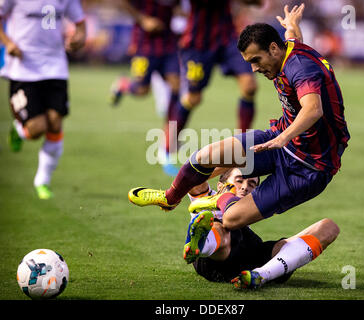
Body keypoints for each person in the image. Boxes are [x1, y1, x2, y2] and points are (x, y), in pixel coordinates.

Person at [128, 4, 349, 239]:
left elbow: (313, 109)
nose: (254, 68)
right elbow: (292, 38)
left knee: (231, 219)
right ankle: (170, 198)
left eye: (256, 60)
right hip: (280, 142)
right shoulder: (286, 50)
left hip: (308, 167)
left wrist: (283, 137)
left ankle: (219, 201)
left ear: (274, 49)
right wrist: (292, 24)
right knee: (203, 158)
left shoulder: (302, 69)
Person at [184, 168, 340, 289]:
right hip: (214, 259)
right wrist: (229, 163)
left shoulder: (253, 206)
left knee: (329, 227)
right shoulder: (210, 197)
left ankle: (261, 275)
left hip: (251, 257)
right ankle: (201, 245)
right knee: (222, 227)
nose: (245, 188)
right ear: (220, 186)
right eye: (239, 181)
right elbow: (193, 174)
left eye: (251, 184)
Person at [0, 0, 86, 199]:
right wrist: (8, 43)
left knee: (55, 124)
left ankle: (42, 181)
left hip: (56, 68)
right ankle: (20, 130)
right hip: (23, 69)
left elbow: (80, 24)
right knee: (37, 129)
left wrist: (79, 39)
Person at [109, 0, 182, 176]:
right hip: (144, 45)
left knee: (176, 87)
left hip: (168, 44)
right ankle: (124, 85)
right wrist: (143, 20)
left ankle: (167, 142)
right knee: (142, 90)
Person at [173, 0, 261, 141]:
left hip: (227, 39)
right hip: (197, 44)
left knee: (249, 86)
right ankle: (168, 147)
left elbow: (257, 3)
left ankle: (241, 145)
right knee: (193, 98)